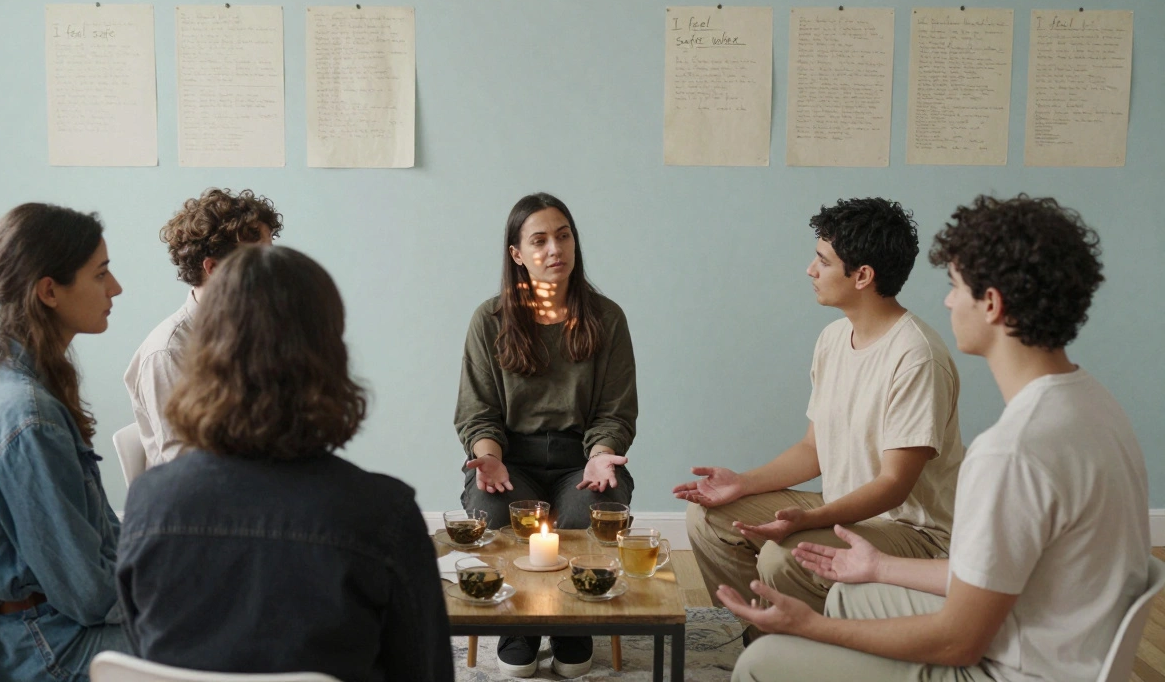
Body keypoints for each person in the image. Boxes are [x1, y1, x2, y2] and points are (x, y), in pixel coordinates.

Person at [725, 194, 1151, 682]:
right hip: (1058, 640)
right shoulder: (1092, 402)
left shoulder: (1011, 452)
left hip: (1013, 669)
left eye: (954, 286)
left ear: (991, 304)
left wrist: (812, 626)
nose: (947, 301)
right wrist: (880, 566)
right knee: (850, 589)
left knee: (761, 663)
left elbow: (958, 642)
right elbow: (1001, 573)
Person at [117, 245, 454, 681]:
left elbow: (141, 650)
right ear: (329, 356)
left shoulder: (148, 503)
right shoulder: (382, 516)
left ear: (205, 357)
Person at [675, 198, 964, 631]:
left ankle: (808, 643)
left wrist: (809, 521)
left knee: (784, 555)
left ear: (863, 276)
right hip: (841, 507)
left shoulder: (917, 357)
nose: (810, 270)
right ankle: (763, 637)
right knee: (709, 519)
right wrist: (742, 483)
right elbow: (813, 449)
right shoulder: (833, 338)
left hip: (910, 532)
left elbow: (893, 486)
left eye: (822, 261)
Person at [0, 203, 128, 682]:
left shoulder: (16, 380)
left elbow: (97, 541)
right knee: (234, 631)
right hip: (48, 647)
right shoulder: (26, 420)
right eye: (101, 274)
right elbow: (88, 596)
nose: (115, 287)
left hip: (40, 627)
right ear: (49, 291)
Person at [456, 192, 637, 678]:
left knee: (589, 510)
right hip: (511, 460)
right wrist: (487, 456)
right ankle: (519, 626)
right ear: (517, 254)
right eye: (539, 240)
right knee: (495, 508)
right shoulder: (489, 320)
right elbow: (478, 413)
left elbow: (614, 413)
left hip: (582, 460)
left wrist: (603, 456)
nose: (555, 249)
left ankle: (571, 625)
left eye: (563, 235)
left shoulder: (607, 318)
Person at [123, 187, 281, 467]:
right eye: (259, 259)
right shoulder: (168, 351)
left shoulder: (258, 328)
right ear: (213, 267)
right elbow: (185, 462)